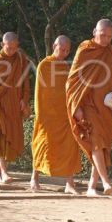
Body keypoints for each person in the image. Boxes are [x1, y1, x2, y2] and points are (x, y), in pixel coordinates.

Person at [66, 19, 112, 196]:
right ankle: (106, 183)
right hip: (88, 104)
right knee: (96, 142)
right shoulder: (85, 50)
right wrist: (76, 106)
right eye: (102, 35)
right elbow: (73, 80)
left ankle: (92, 186)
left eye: (109, 36)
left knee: (103, 145)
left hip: (107, 106)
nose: (105, 39)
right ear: (94, 31)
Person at [31, 35, 81, 194]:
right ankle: (34, 178)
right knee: (42, 144)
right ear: (54, 46)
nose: (64, 53)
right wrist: (40, 113)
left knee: (70, 146)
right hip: (47, 114)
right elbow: (40, 92)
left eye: (67, 50)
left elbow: (69, 91)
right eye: (62, 49)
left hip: (64, 113)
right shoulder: (44, 65)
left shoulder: (66, 68)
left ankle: (70, 183)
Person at [0, 32, 30, 183]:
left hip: (14, 102)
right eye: (8, 48)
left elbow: (25, 82)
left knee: (9, 138)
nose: (11, 51)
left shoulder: (20, 59)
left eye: (14, 48)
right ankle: (4, 173)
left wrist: (24, 99)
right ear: (2, 45)